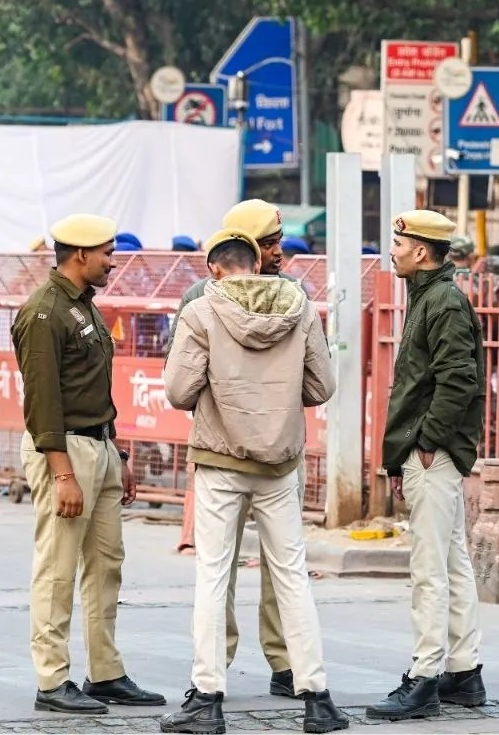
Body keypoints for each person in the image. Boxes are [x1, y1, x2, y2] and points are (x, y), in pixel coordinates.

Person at [160, 229, 346, 735]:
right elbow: (322, 385)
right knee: (291, 576)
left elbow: (178, 390)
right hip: (280, 464)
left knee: (213, 576)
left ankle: (207, 698)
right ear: (258, 264)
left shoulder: (201, 311)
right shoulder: (300, 307)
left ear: (215, 269)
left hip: (220, 460)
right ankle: (316, 699)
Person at [11, 214, 165, 714]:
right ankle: (52, 679)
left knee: (106, 565)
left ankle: (105, 673)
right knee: (57, 568)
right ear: (80, 254)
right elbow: (42, 401)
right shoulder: (44, 312)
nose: (112, 262)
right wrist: (62, 473)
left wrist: (117, 452)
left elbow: (92, 388)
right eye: (107, 253)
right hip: (65, 451)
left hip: (98, 446)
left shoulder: (83, 306)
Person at [170, 198, 305, 699]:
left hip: (263, 453)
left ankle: (284, 662)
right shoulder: (199, 299)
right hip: (239, 449)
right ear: (245, 244)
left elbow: (179, 386)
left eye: (279, 242)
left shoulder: (293, 293)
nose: (279, 252)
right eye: (270, 244)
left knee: (279, 565)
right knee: (220, 565)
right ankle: (217, 661)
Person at [367, 210, 487, 722]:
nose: (392, 251)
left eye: (399, 244)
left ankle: (424, 678)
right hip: (427, 450)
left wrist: (429, 442)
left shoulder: (443, 301)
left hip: (433, 452)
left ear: (421, 251)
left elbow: (458, 379)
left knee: (429, 570)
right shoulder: (429, 296)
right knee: (452, 562)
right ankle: (464, 671)